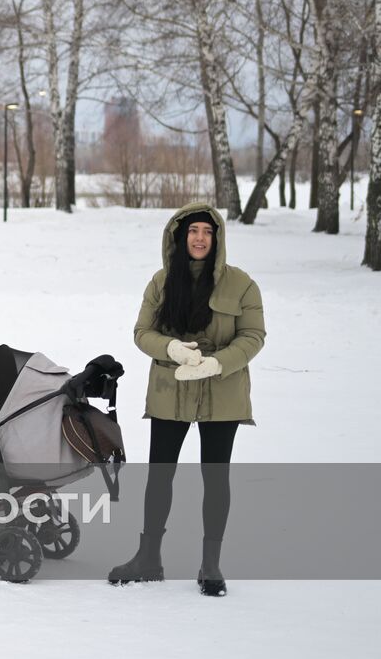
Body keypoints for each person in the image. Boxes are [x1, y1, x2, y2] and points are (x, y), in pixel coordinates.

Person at [109, 203, 265, 596]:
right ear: (180, 237)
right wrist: (172, 348)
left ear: (217, 239)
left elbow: (253, 336)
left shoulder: (241, 284)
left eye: (207, 232)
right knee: (160, 473)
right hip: (170, 387)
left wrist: (217, 364)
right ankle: (149, 558)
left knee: (216, 476)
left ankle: (210, 564)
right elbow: (142, 331)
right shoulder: (162, 282)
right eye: (193, 231)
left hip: (222, 390)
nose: (199, 238)